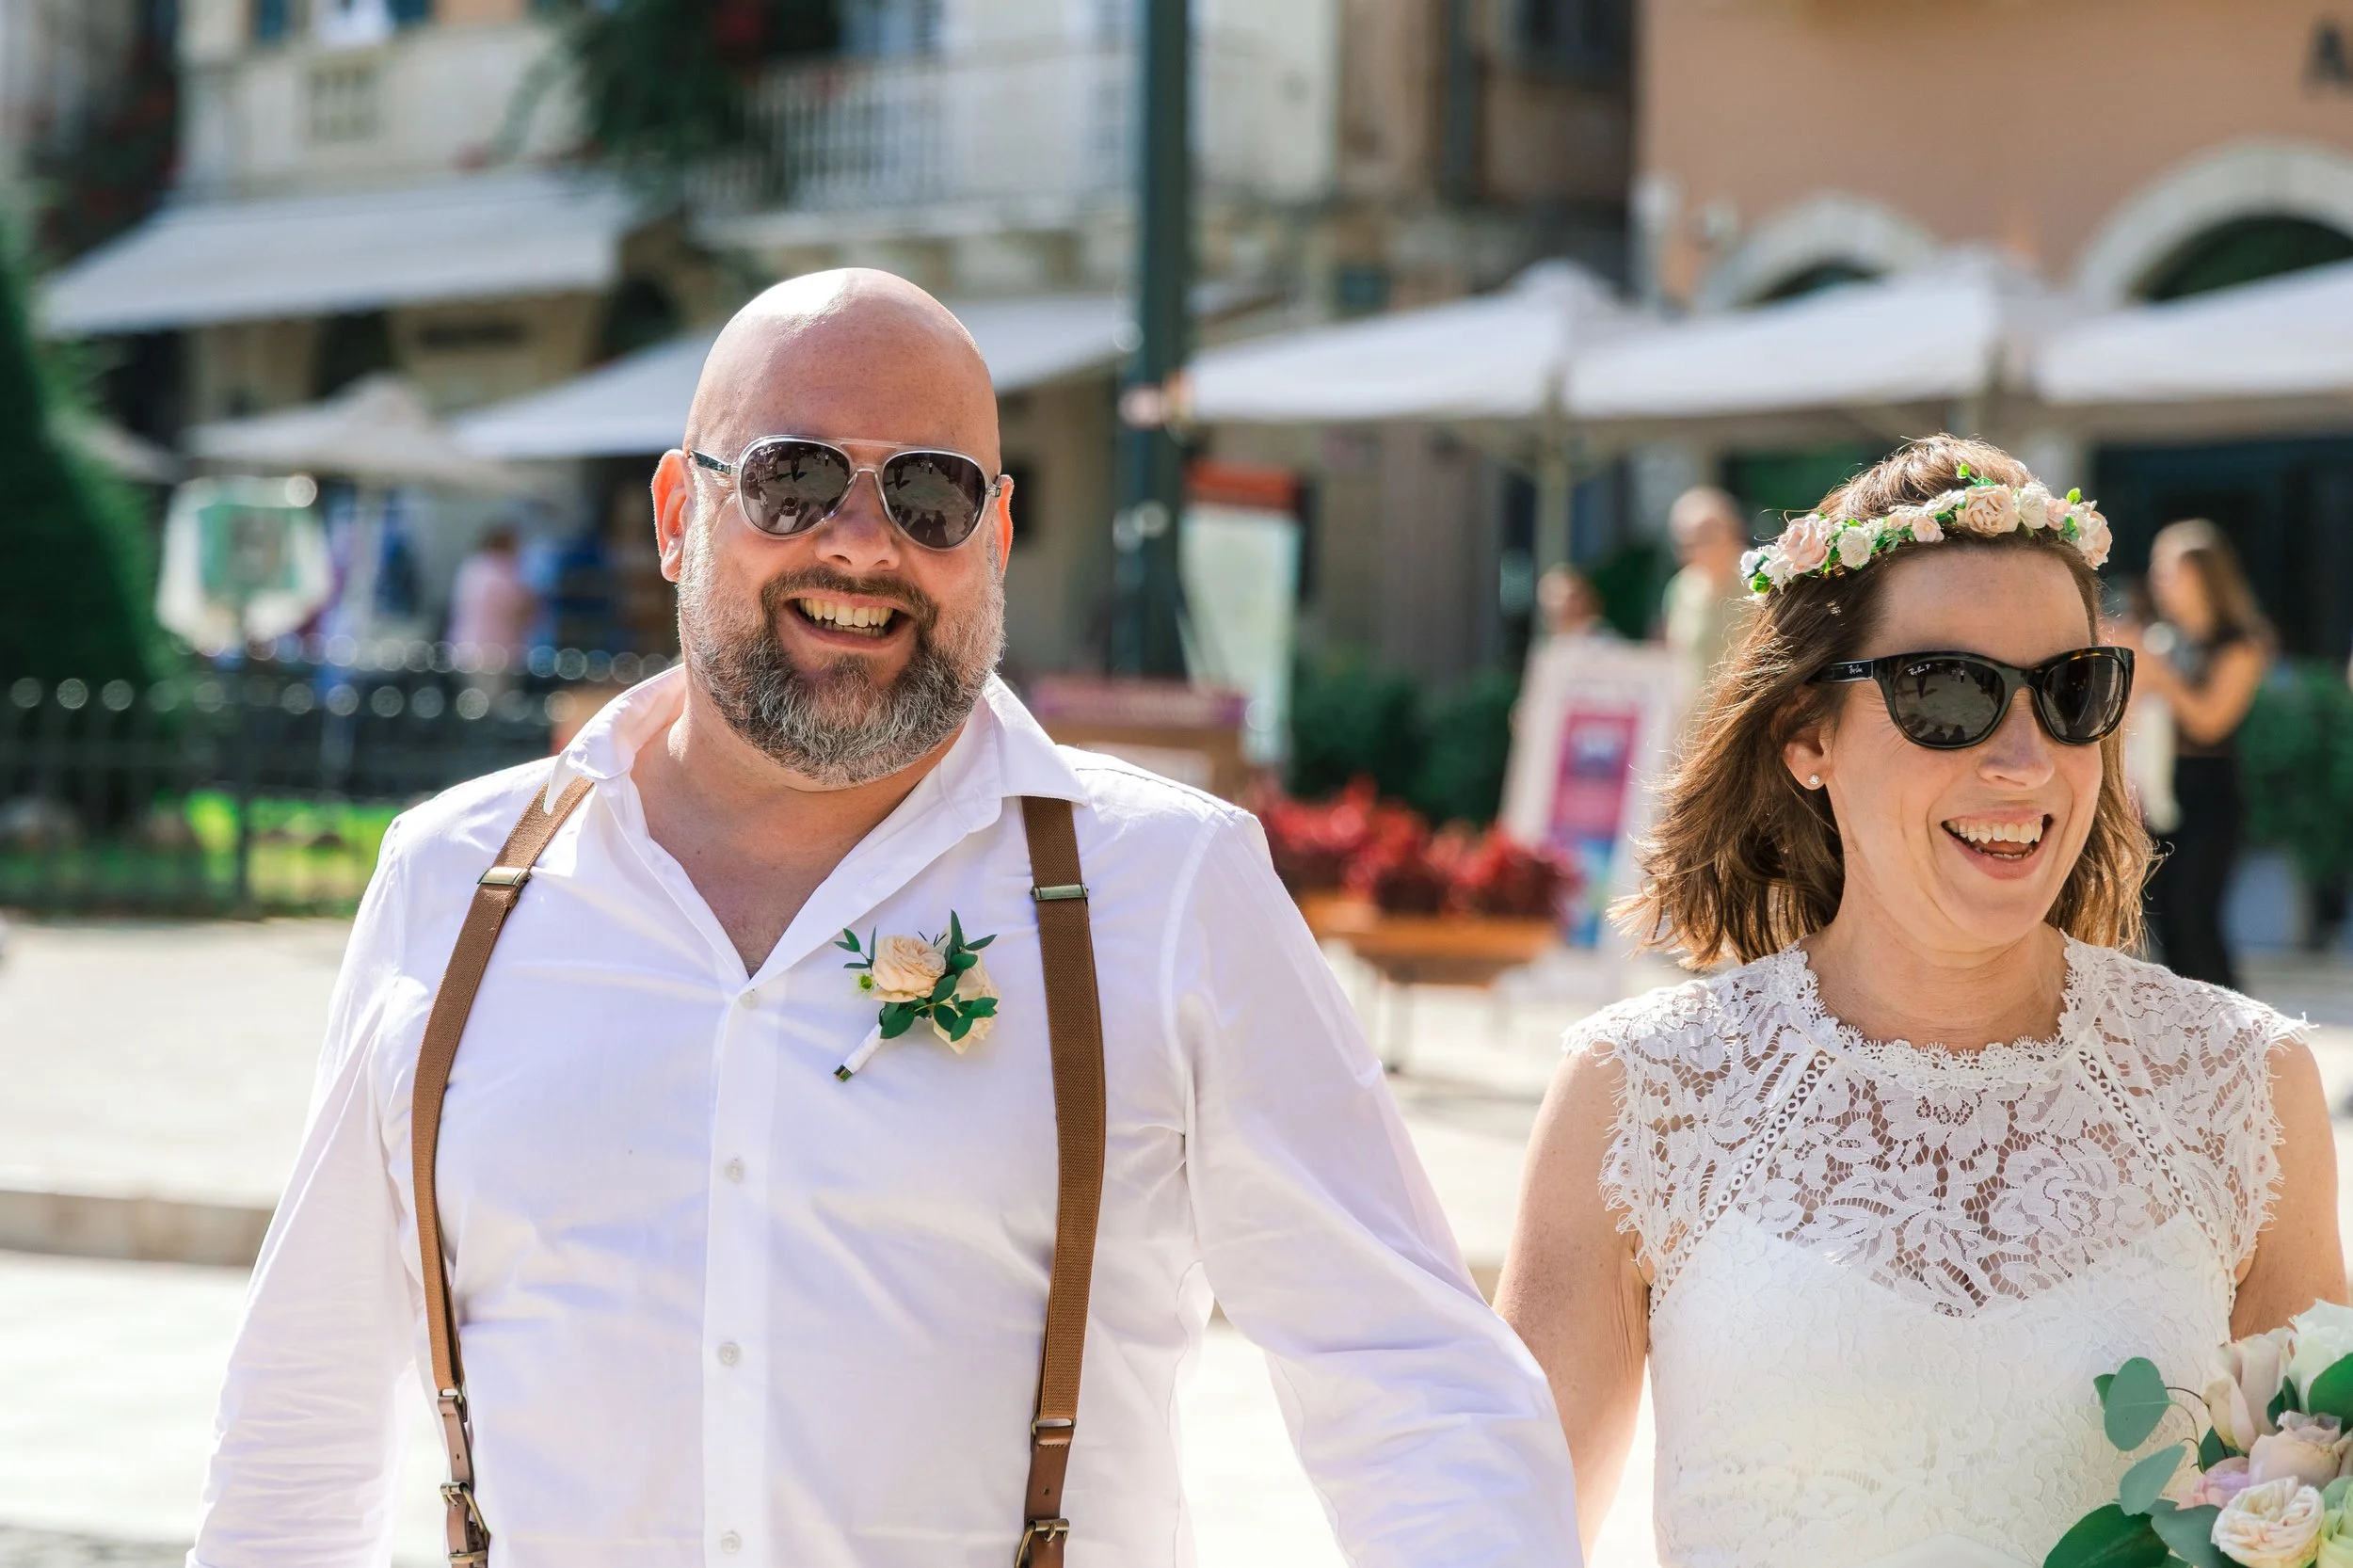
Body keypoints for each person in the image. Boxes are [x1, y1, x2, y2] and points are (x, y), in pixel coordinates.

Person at [186, 270, 1579, 1567]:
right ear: (681, 514)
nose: (863, 542)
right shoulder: (450, 878)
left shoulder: (1165, 889)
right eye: (790, 481)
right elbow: (301, 1419)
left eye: (930, 493)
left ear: (998, 535)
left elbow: (1416, 1386)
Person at [1498, 437, 2344, 1564]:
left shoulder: (2240, 1085)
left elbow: (2314, 1507)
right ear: (1805, 733)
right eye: (1947, 693)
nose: (2024, 759)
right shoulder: (1641, 1093)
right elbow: (1500, 1533)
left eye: (2070, 691)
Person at [2129, 519, 2271, 989]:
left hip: (2210, 798)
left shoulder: (2240, 644)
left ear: (2206, 577)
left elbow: (2211, 721)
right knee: (2164, 921)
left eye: (2173, 573)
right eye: (2159, 572)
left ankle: (2235, 1039)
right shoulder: (2163, 640)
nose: (2162, 584)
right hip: (2157, 793)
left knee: (2197, 918)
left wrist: (2156, 672)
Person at [1659, 486, 1749, 707]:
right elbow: (1674, 655)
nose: (1697, 547)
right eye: (1687, 540)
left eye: (1706, 536)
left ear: (1732, 530)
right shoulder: (1680, 587)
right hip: (1695, 719)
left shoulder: (1757, 581)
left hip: (1744, 716)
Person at [446, 524, 536, 667]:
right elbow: (522, 610)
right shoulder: (501, 573)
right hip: (491, 652)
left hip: (465, 646)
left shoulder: (472, 567)